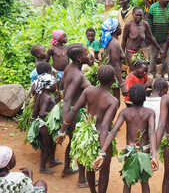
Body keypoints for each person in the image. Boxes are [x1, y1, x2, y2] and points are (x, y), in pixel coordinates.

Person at [61, 65, 119, 193]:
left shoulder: (88, 91)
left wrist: (62, 130)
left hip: (87, 134)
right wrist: (102, 152)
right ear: (113, 80)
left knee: (89, 167)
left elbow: (74, 109)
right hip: (102, 138)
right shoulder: (113, 101)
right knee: (104, 170)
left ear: (98, 78)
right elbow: (104, 126)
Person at [93, 84, 158, 193]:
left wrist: (102, 153)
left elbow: (113, 132)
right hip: (144, 150)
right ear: (145, 97)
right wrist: (154, 155)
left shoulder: (125, 112)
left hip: (130, 150)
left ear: (130, 99)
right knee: (145, 182)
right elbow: (151, 132)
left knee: (127, 182)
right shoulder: (150, 113)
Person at [55, 43, 94, 187]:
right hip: (74, 113)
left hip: (71, 111)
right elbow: (67, 99)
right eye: (85, 53)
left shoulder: (69, 68)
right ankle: (82, 180)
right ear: (79, 58)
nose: (89, 55)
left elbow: (60, 88)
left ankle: (67, 168)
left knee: (73, 142)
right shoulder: (77, 75)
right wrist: (65, 124)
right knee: (81, 145)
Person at [30, 62, 61, 175]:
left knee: (51, 144)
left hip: (41, 124)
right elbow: (43, 112)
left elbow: (35, 111)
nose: (55, 86)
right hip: (45, 125)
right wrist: (53, 113)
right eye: (54, 84)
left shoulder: (40, 94)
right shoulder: (47, 97)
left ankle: (52, 160)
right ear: (48, 85)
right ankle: (43, 167)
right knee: (47, 147)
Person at [122, 7, 163, 71]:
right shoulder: (129, 25)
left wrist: (159, 49)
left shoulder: (145, 24)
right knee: (135, 71)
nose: (139, 17)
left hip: (141, 52)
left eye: (140, 15)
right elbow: (124, 40)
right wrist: (122, 54)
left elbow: (151, 37)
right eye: (137, 15)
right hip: (131, 52)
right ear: (133, 14)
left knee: (143, 70)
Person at [101, 18, 128, 102]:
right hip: (113, 77)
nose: (121, 28)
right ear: (115, 30)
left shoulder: (107, 41)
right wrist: (122, 84)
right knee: (115, 103)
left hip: (107, 75)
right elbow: (115, 64)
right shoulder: (114, 44)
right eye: (119, 26)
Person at [147, 0, 169, 78]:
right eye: (167, 0)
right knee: (153, 56)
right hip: (154, 37)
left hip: (165, 38)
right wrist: (151, 38)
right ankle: (151, 73)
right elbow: (149, 25)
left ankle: (165, 72)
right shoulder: (153, 8)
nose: (168, 2)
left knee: (165, 56)